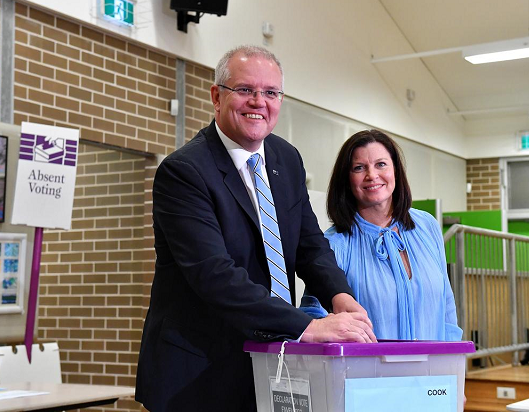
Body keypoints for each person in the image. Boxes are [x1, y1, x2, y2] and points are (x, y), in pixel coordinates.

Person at [135, 45, 376, 412]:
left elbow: (310, 246)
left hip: (273, 365)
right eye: (245, 90)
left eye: (270, 92)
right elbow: (214, 275)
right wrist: (308, 327)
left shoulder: (286, 159)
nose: (258, 102)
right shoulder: (183, 172)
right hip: (199, 374)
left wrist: (342, 299)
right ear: (217, 96)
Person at [300, 129, 463, 341]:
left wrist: (452, 361)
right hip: (367, 372)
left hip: (433, 371)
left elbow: (447, 306)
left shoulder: (427, 226)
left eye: (381, 164)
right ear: (347, 180)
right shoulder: (333, 244)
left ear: (396, 169)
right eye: (359, 168)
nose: (372, 175)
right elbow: (313, 317)